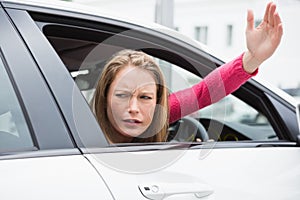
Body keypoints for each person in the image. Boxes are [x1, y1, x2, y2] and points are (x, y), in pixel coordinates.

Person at [92, 2, 283, 144]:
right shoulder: (77, 131)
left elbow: (203, 92)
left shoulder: (158, 115)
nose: (134, 107)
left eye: (145, 97)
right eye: (122, 95)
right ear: (104, 96)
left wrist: (253, 58)